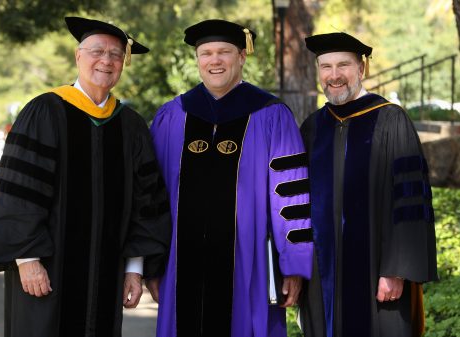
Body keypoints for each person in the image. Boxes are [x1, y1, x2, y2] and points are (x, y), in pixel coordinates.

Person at [0, 16, 171, 337]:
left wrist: (134, 270)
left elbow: (145, 203)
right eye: (97, 51)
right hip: (45, 269)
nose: (106, 61)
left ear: (124, 63)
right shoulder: (44, 111)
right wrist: (26, 260)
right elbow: (18, 191)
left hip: (106, 273)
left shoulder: (130, 125)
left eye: (115, 55)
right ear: (78, 56)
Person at [147, 19, 313, 337]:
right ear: (197, 60)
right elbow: (153, 196)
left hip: (248, 265)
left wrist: (292, 265)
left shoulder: (271, 115)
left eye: (224, 51)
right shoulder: (172, 116)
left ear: (241, 57)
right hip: (181, 268)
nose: (215, 60)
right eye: (206, 53)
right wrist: (153, 264)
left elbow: (290, 197)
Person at [299, 32, 438, 337]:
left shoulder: (391, 120)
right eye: (326, 67)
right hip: (320, 274)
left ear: (361, 69)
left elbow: (410, 201)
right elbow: (296, 204)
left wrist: (396, 269)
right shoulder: (312, 127)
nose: (334, 75)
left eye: (343, 65)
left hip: (379, 273)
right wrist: (296, 268)